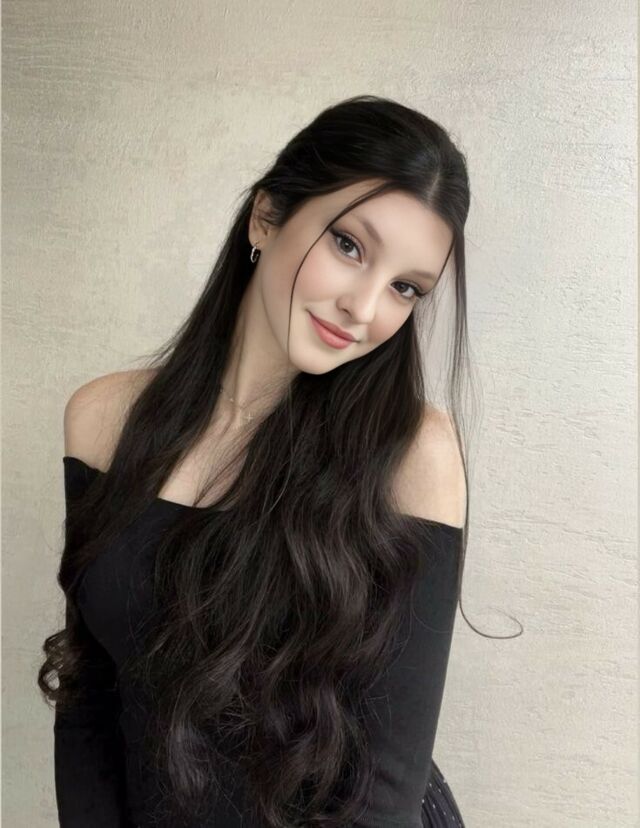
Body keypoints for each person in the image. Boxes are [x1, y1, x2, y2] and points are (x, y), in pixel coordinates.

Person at [38, 94, 475, 827]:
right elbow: (91, 695)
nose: (365, 307)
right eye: (349, 246)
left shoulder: (412, 455)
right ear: (266, 217)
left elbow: (385, 789)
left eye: (406, 287)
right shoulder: (104, 421)